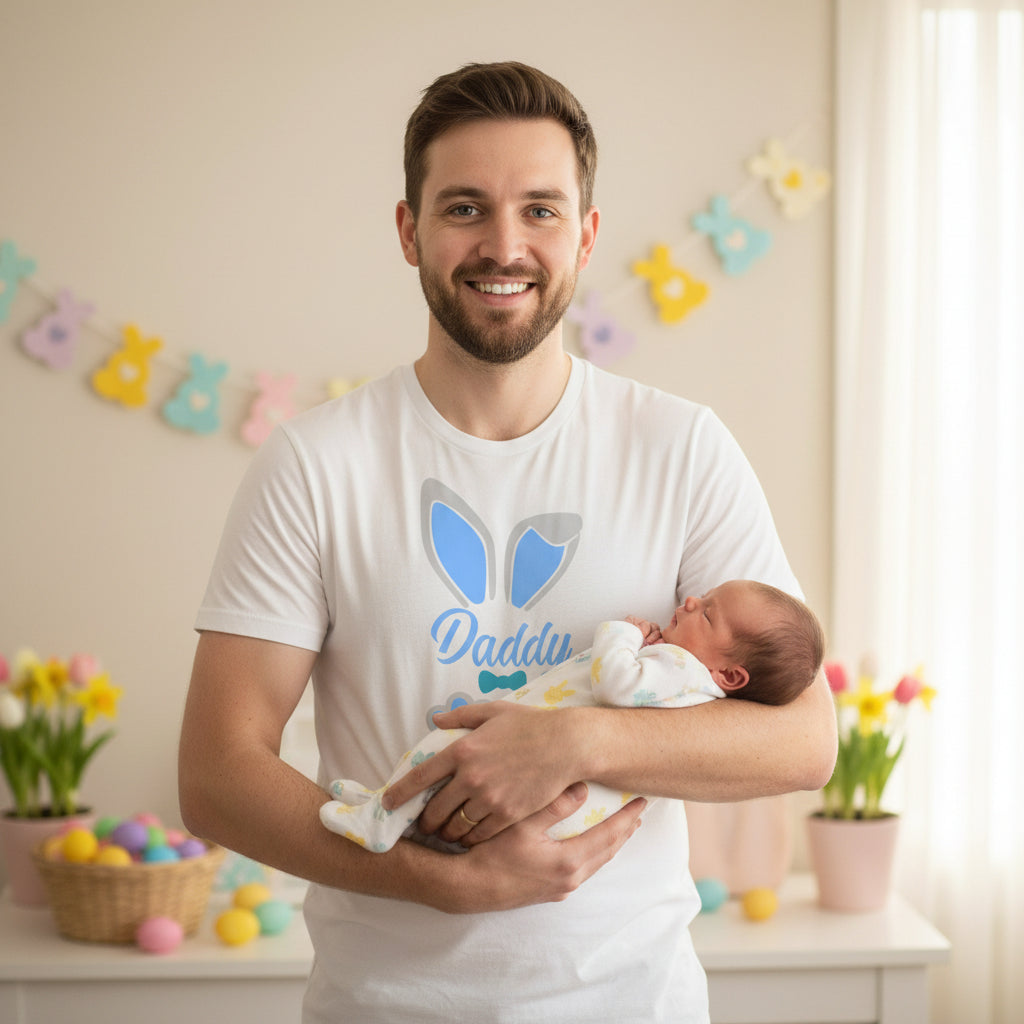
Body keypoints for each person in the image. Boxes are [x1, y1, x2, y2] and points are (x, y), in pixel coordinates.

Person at [178, 61, 837, 1024]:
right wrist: (431, 880)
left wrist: (578, 737)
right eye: (463, 209)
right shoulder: (314, 463)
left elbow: (804, 738)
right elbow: (215, 774)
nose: (504, 244)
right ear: (409, 232)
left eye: (541, 209)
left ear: (587, 234)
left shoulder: (682, 447)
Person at [322, 580, 825, 853]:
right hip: (552, 794)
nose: (691, 601)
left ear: (731, 677)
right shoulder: (689, 680)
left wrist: (624, 633)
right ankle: (385, 808)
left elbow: (615, 682)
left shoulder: (681, 670)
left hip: (537, 768)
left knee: (443, 750)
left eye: (708, 614)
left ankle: (378, 820)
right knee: (446, 768)